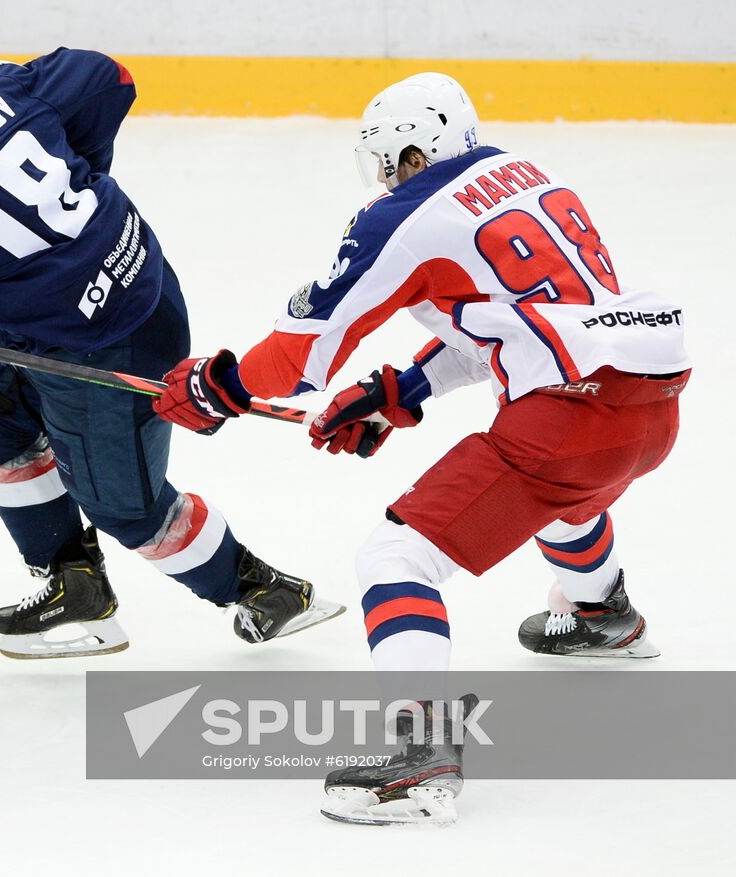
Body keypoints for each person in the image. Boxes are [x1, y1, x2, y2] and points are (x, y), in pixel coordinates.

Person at [153, 72, 691, 823]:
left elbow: (303, 356)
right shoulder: (525, 173)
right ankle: (604, 613)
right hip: (651, 410)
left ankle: (419, 750)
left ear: (409, 151)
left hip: (568, 424)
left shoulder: (403, 216)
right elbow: (515, 326)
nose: (381, 178)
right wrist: (405, 388)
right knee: (564, 498)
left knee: (394, 557)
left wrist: (222, 386)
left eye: (384, 160)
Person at [0, 18, 343, 659]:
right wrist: (72, 191)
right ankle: (74, 585)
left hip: (97, 351)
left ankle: (266, 594)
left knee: (129, 509)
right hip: (141, 281)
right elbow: (109, 78)